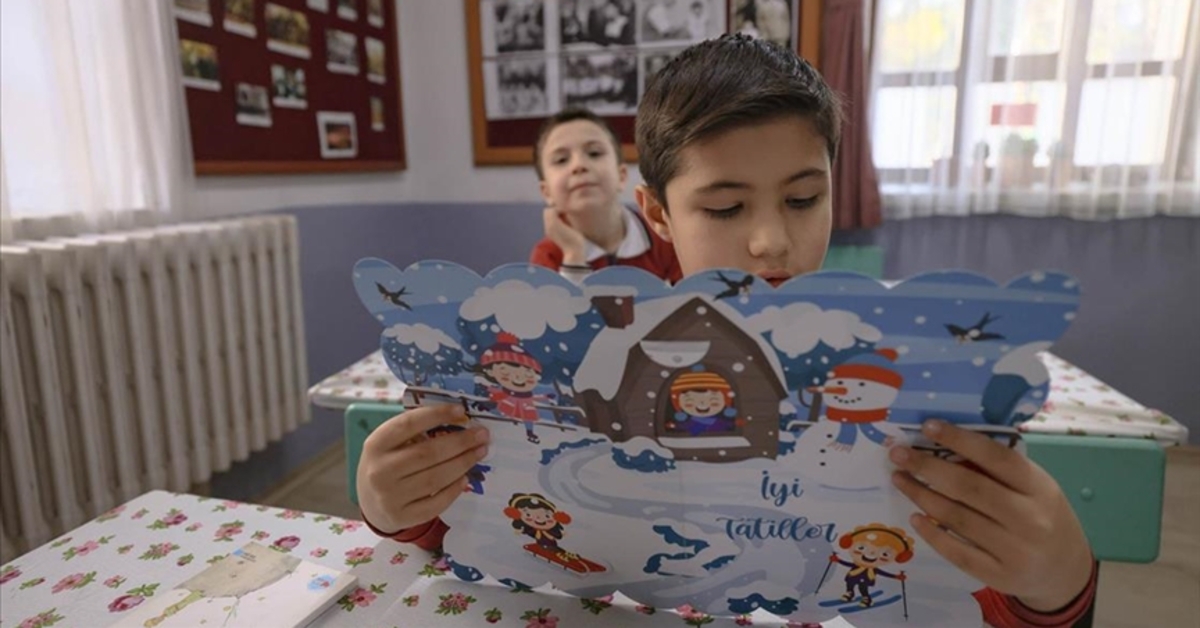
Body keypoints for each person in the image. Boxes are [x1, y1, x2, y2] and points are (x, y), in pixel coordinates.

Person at [356, 34, 1097, 627]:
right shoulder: (606, 348)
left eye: (803, 199)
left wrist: (1056, 578)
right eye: (725, 208)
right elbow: (467, 530)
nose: (771, 241)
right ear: (657, 213)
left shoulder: (907, 383)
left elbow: (974, 594)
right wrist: (396, 510)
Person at [528, 107, 682, 284]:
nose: (579, 165)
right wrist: (573, 255)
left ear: (621, 175)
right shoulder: (547, 255)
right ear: (546, 192)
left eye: (594, 153)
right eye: (561, 160)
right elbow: (558, 304)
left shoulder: (664, 235)